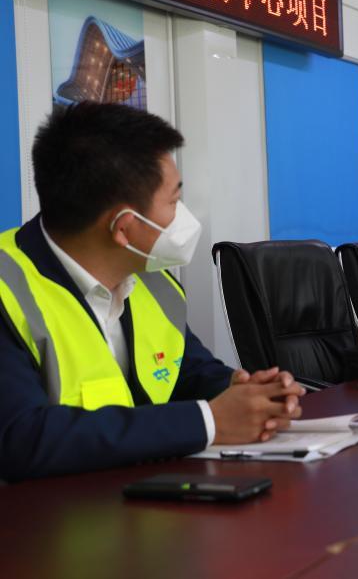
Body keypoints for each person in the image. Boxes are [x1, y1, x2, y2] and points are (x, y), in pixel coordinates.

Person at [0, 102, 304, 481]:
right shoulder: (8, 290)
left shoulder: (153, 281)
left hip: (139, 496)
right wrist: (208, 421)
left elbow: (186, 371)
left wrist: (246, 393)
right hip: (45, 512)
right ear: (124, 227)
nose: (184, 216)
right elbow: (21, 438)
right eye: (174, 201)